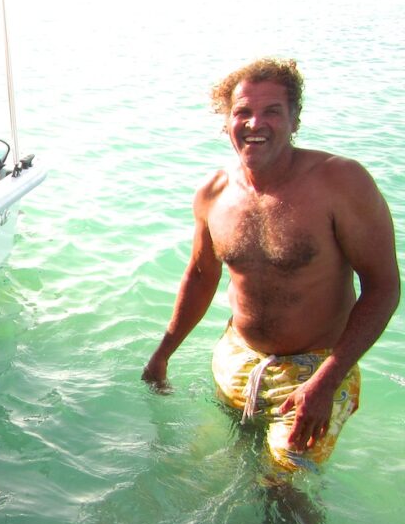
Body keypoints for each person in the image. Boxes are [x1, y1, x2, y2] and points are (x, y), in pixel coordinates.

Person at [142, 57, 399, 470]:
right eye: (242, 111)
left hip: (317, 366)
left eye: (272, 111)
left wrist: (328, 379)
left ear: (294, 120)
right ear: (226, 121)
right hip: (237, 358)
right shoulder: (213, 193)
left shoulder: (341, 182)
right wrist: (162, 354)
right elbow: (202, 276)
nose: (255, 123)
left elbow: (383, 287)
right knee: (231, 463)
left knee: (283, 488)